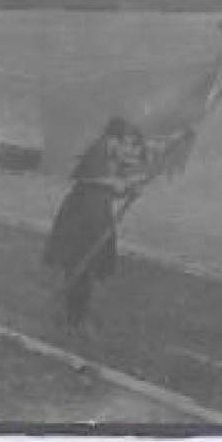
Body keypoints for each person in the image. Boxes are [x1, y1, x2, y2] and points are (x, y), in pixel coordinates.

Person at [43, 116, 149, 331]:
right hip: (81, 218)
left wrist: (128, 188)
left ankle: (76, 316)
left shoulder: (109, 155)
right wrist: (121, 184)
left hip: (95, 217)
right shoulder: (99, 151)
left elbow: (106, 188)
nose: (129, 152)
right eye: (128, 144)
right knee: (79, 267)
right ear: (115, 139)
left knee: (85, 270)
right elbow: (87, 178)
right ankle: (72, 317)